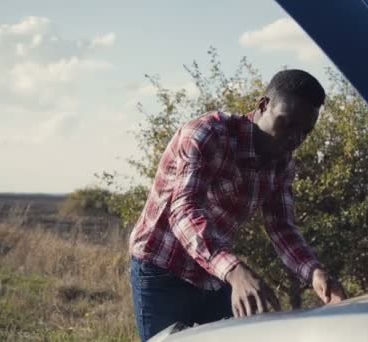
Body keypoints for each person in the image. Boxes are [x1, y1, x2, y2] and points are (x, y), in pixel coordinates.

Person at [128, 69, 346, 341]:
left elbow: (281, 227)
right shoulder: (207, 134)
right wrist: (235, 271)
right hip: (162, 268)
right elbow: (184, 211)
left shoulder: (283, 163)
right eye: (287, 123)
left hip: (213, 273)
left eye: (305, 131)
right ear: (263, 105)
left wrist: (314, 271)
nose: (295, 139)